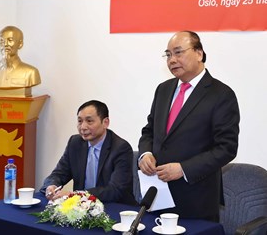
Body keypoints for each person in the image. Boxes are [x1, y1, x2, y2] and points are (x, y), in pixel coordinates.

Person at [138, 31, 239, 222]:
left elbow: (226, 148)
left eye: (178, 52)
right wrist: (145, 154)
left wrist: (183, 169)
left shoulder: (221, 94)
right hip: (158, 196)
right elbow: (149, 131)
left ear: (199, 53)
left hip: (196, 199)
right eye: (168, 55)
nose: (172, 60)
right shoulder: (163, 89)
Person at [39, 100, 135, 204]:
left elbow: (115, 190)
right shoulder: (75, 143)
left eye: (89, 121)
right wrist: (51, 186)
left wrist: (75, 195)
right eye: (80, 121)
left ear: (105, 122)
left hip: (113, 207)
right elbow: (59, 173)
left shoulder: (121, 148)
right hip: (81, 210)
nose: (83, 127)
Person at [0, 26, 41, 95]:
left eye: (10, 40)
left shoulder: (31, 72)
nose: (5, 44)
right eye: (1, 41)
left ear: (20, 44)